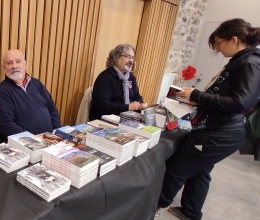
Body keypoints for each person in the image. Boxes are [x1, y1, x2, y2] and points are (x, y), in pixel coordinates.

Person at [156, 18, 260, 220]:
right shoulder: (244, 61)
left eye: (219, 43)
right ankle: (190, 211)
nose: (218, 50)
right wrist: (199, 101)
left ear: (234, 40)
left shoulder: (249, 63)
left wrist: (196, 96)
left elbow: (239, 102)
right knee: (200, 170)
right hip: (220, 128)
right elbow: (229, 98)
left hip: (219, 133)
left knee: (177, 170)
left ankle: (154, 206)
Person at [0, 49, 61, 139]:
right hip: (27, 146)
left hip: (51, 140)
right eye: (9, 63)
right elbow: (7, 126)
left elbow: (52, 109)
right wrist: (35, 140)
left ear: (25, 64)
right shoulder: (1, 93)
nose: (14, 66)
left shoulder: (37, 83)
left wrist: (57, 133)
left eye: (18, 61)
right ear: (4, 68)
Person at [89, 44, 147, 121]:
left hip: (126, 118)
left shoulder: (131, 77)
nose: (131, 60)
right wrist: (127, 107)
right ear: (116, 58)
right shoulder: (105, 77)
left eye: (132, 57)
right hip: (105, 120)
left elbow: (137, 96)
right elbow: (102, 105)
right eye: (127, 56)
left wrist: (140, 104)